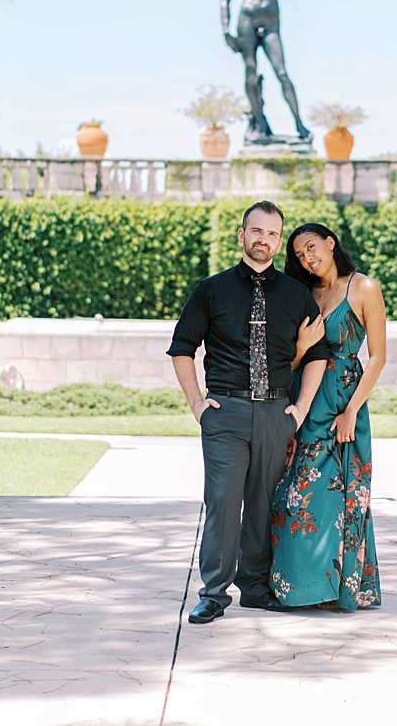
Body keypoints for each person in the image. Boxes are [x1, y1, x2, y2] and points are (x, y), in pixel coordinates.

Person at [168, 201, 330, 625]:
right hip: (226, 412)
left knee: (262, 503)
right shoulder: (211, 290)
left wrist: (299, 410)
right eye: (256, 231)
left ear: (279, 239)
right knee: (222, 503)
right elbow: (182, 349)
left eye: (273, 233)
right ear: (242, 236)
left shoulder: (296, 295)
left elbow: (318, 354)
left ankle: (255, 589)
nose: (264, 239)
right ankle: (214, 594)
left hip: (277, 412)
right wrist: (198, 406)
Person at [269, 221, 386, 611]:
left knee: (344, 497)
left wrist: (352, 410)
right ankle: (300, 588)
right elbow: (291, 358)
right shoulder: (302, 295)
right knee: (295, 495)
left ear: (330, 243)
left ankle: (340, 590)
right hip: (304, 397)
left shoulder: (363, 287)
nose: (308, 258)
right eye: (300, 255)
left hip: (343, 403)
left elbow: (379, 357)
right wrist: (301, 349)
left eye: (312, 248)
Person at [219, 0, 312, 144]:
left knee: (281, 72)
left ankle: (299, 124)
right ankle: (258, 123)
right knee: (251, 74)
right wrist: (226, 31)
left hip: (270, 20)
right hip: (247, 19)